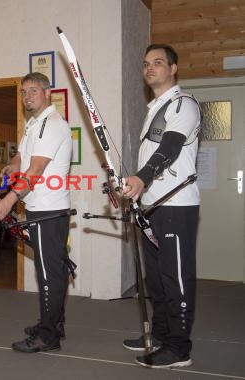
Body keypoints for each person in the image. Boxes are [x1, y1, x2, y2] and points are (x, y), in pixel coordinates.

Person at [122, 44, 201, 368]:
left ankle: (179, 349)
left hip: (176, 206)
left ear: (173, 68)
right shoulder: (156, 107)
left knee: (176, 277)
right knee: (156, 279)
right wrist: (134, 189)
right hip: (152, 207)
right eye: (145, 64)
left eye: (157, 63)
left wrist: (141, 177)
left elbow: (169, 148)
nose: (149, 68)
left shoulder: (184, 105)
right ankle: (161, 334)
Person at [0, 72, 72, 353]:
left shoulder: (52, 125)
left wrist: (8, 201)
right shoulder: (33, 125)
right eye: (23, 92)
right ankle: (54, 323)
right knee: (48, 271)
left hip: (50, 210)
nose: (27, 96)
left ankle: (48, 337)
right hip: (38, 209)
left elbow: (36, 171)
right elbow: (23, 158)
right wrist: (13, 165)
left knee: (50, 274)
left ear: (47, 92)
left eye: (33, 91)